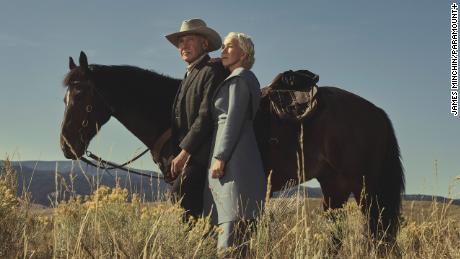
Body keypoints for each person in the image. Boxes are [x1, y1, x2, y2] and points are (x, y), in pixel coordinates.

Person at [203, 32, 267, 254]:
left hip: (233, 158)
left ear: (244, 53)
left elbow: (233, 119)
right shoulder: (240, 77)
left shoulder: (239, 78)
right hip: (235, 154)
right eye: (222, 47)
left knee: (230, 230)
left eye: (229, 47)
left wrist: (220, 157)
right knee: (233, 230)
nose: (223, 51)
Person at [165, 18, 227, 219]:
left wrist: (184, 153)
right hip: (191, 156)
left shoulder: (212, 71)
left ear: (205, 43)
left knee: (180, 200)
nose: (183, 46)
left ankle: (194, 248)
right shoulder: (192, 73)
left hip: (204, 157)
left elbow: (205, 116)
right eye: (180, 42)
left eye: (189, 40)